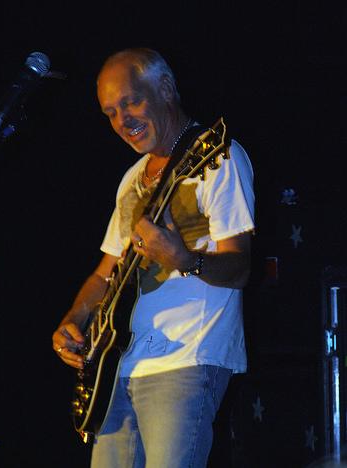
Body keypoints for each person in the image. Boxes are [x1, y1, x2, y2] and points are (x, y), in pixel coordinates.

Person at [52, 48, 255, 467]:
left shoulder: (218, 158)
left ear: (164, 89)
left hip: (187, 359)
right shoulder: (132, 179)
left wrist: (183, 258)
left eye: (130, 102)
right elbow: (105, 273)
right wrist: (74, 318)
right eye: (110, 112)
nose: (121, 120)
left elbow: (240, 266)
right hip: (119, 366)